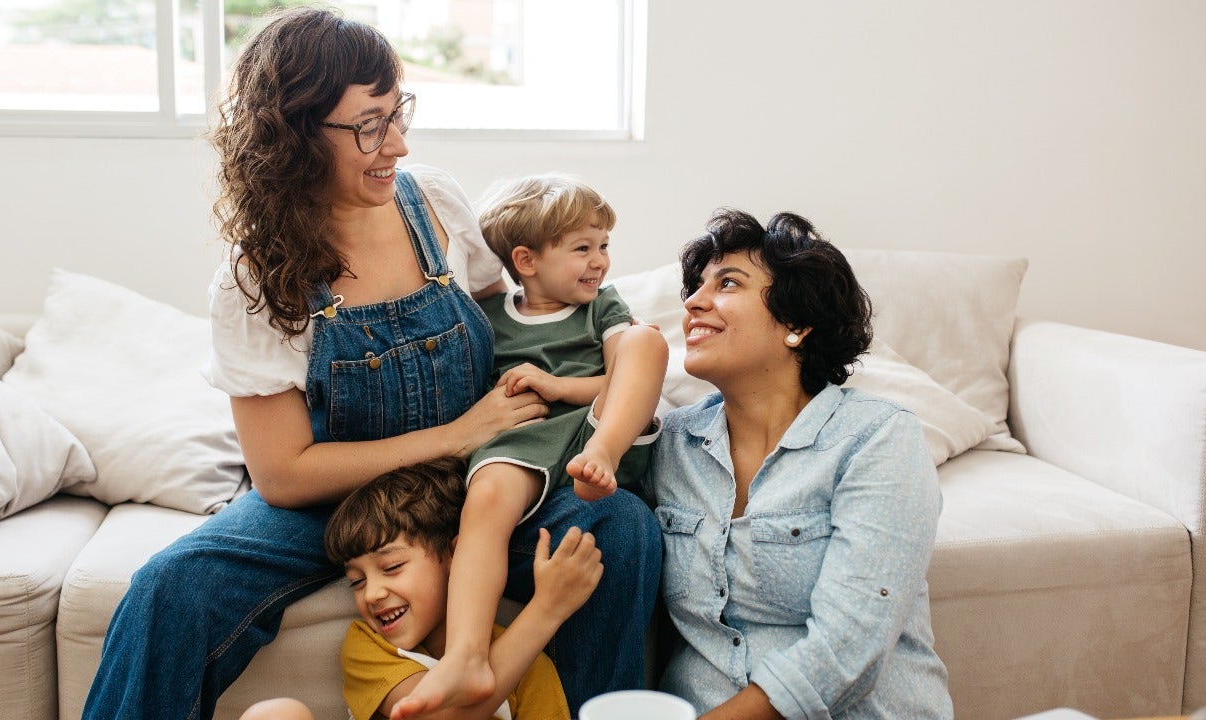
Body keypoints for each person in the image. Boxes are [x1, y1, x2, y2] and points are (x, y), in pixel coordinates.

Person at [80, 7, 661, 719]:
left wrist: (578, 390)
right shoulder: (256, 279)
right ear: (294, 137)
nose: (398, 144)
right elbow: (283, 473)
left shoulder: (436, 204)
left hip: (479, 480)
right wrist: (453, 434)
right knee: (172, 587)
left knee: (620, 528)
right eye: (368, 126)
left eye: (397, 113)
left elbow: (509, 330)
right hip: (336, 500)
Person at [648, 209, 953, 719]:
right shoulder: (673, 445)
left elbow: (848, 646)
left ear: (796, 324)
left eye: (727, 283)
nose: (694, 303)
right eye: (694, 288)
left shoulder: (877, 437)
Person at [396, 176, 668, 717]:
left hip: (596, 429)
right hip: (525, 437)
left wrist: (560, 387)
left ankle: (605, 459)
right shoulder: (490, 318)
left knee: (646, 339)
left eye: (604, 246)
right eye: (582, 248)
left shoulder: (602, 309)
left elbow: (624, 375)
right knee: (488, 498)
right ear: (526, 260)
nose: (600, 262)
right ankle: (467, 655)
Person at [328, 457, 599, 720]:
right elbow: (438, 715)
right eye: (357, 581)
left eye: (391, 567)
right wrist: (546, 610)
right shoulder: (367, 646)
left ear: (456, 556)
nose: (373, 594)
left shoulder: (527, 664)